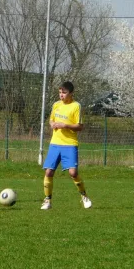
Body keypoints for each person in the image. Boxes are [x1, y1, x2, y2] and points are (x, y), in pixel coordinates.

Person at [41, 81, 92, 210]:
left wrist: (66, 125)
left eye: (64, 93)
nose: (61, 95)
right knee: (49, 171)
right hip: (55, 144)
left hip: (69, 144)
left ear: (71, 93)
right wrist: (52, 124)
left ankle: (84, 196)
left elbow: (80, 126)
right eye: (60, 92)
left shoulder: (76, 106)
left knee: (73, 173)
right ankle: (47, 201)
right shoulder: (56, 105)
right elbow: (51, 119)